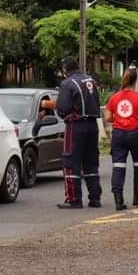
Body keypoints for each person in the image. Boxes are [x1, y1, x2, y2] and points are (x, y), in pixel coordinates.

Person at [55, 57, 103, 209]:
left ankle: (74, 199)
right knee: (91, 162)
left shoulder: (67, 84)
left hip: (76, 126)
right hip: (93, 125)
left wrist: (65, 114)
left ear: (65, 70)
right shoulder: (91, 81)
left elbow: (62, 107)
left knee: (70, 161)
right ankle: (95, 198)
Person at [104, 68, 138, 211]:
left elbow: (107, 117)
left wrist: (119, 119)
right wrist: (134, 118)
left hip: (118, 134)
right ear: (136, 81)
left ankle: (118, 200)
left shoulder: (114, 97)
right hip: (135, 134)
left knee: (118, 166)